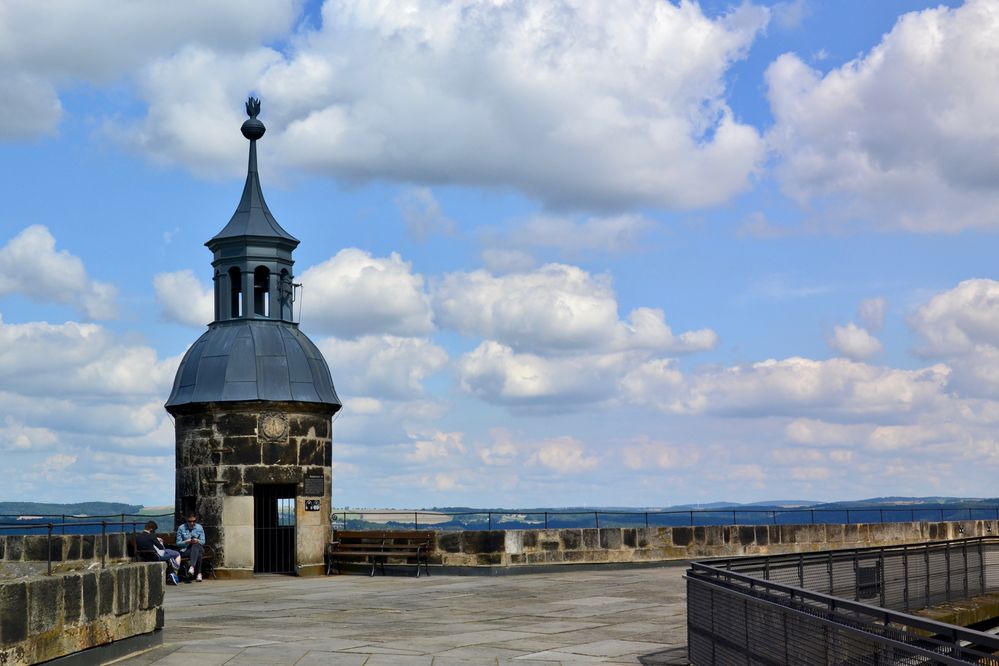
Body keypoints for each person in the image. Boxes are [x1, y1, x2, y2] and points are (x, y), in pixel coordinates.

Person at [136, 521, 181, 585]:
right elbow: (161, 548)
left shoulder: (138, 537)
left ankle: (172, 571)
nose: (154, 532)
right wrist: (159, 541)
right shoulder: (151, 536)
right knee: (176, 554)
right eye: (154, 530)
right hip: (155, 556)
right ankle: (175, 573)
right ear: (151, 529)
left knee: (170, 558)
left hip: (144, 557)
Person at [176, 513, 206, 582]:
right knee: (199, 554)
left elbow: (203, 541)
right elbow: (178, 543)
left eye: (194, 521)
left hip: (198, 547)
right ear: (186, 520)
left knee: (196, 545)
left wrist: (197, 540)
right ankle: (198, 573)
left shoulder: (199, 527)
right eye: (189, 521)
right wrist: (186, 542)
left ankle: (192, 567)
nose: (192, 523)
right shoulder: (181, 528)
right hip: (186, 550)